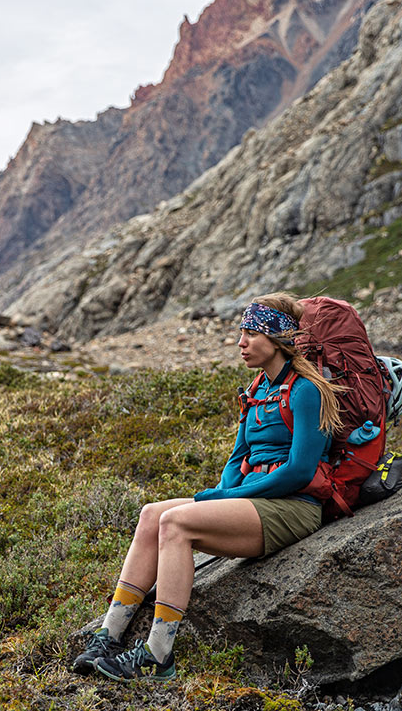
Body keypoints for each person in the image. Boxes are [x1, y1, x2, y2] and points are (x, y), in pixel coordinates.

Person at [74, 292, 342, 683]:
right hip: (257, 500)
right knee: (152, 514)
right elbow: (238, 459)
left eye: (252, 334)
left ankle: (157, 655)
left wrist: (229, 497)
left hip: (294, 507)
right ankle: (108, 636)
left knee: (177, 524)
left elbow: (300, 471)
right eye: (241, 333)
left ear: (279, 339)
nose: (241, 343)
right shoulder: (256, 391)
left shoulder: (308, 391)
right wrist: (222, 492)